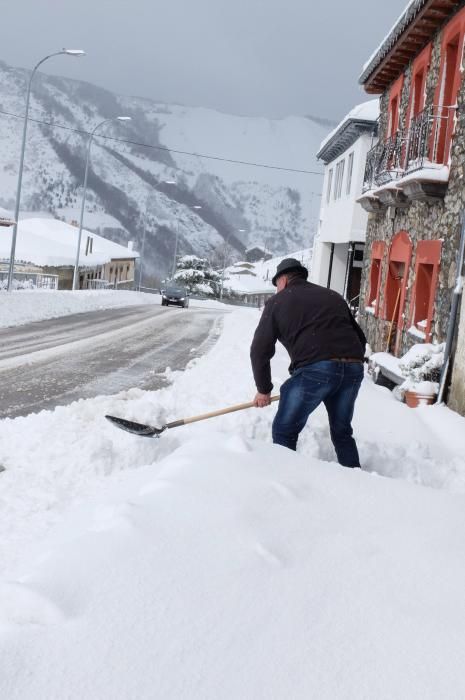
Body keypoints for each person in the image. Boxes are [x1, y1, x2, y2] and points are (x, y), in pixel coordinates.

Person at [250, 258, 366, 469]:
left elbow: (259, 350)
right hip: (354, 368)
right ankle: (357, 485)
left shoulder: (278, 302)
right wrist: (345, 364)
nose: (277, 289)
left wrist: (263, 390)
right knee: (342, 431)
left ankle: (286, 483)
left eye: (277, 284)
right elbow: (361, 339)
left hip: (317, 370)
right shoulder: (333, 296)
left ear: (283, 280)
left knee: (284, 429)